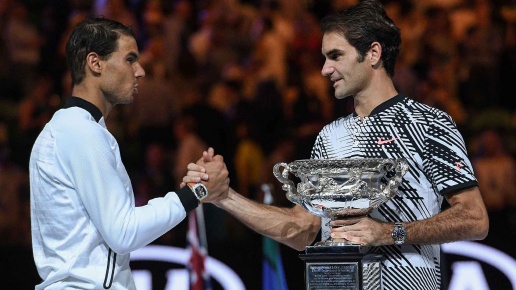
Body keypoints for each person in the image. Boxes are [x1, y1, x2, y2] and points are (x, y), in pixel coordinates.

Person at [183, 1, 489, 289]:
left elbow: (475, 218)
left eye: (335, 55)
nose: (324, 69)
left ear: (373, 53)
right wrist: (224, 196)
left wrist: (389, 232)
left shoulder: (428, 123)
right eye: (324, 57)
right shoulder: (329, 137)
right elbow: (302, 229)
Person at [29, 17, 229, 290]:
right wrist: (196, 192)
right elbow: (124, 232)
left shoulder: (70, 129)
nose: (140, 71)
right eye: (130, 59)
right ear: (95, 63)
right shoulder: (80, 131)